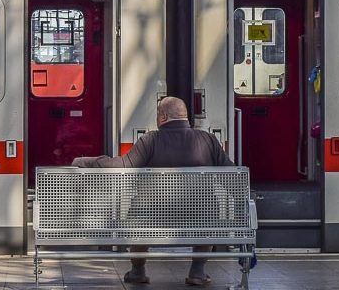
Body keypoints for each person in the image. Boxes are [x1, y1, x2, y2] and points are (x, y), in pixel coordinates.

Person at [72, 96, 232, 286]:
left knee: (141, 212)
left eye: (157, 115)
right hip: (200, 218)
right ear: (185, 116)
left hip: (153, 217)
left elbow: (122, 166)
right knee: (208, 211)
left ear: (163, 117)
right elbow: (232, 174)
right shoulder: (208, 140)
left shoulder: (151, 140)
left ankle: (138, 270)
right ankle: (197, 271)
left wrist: (86, 162)